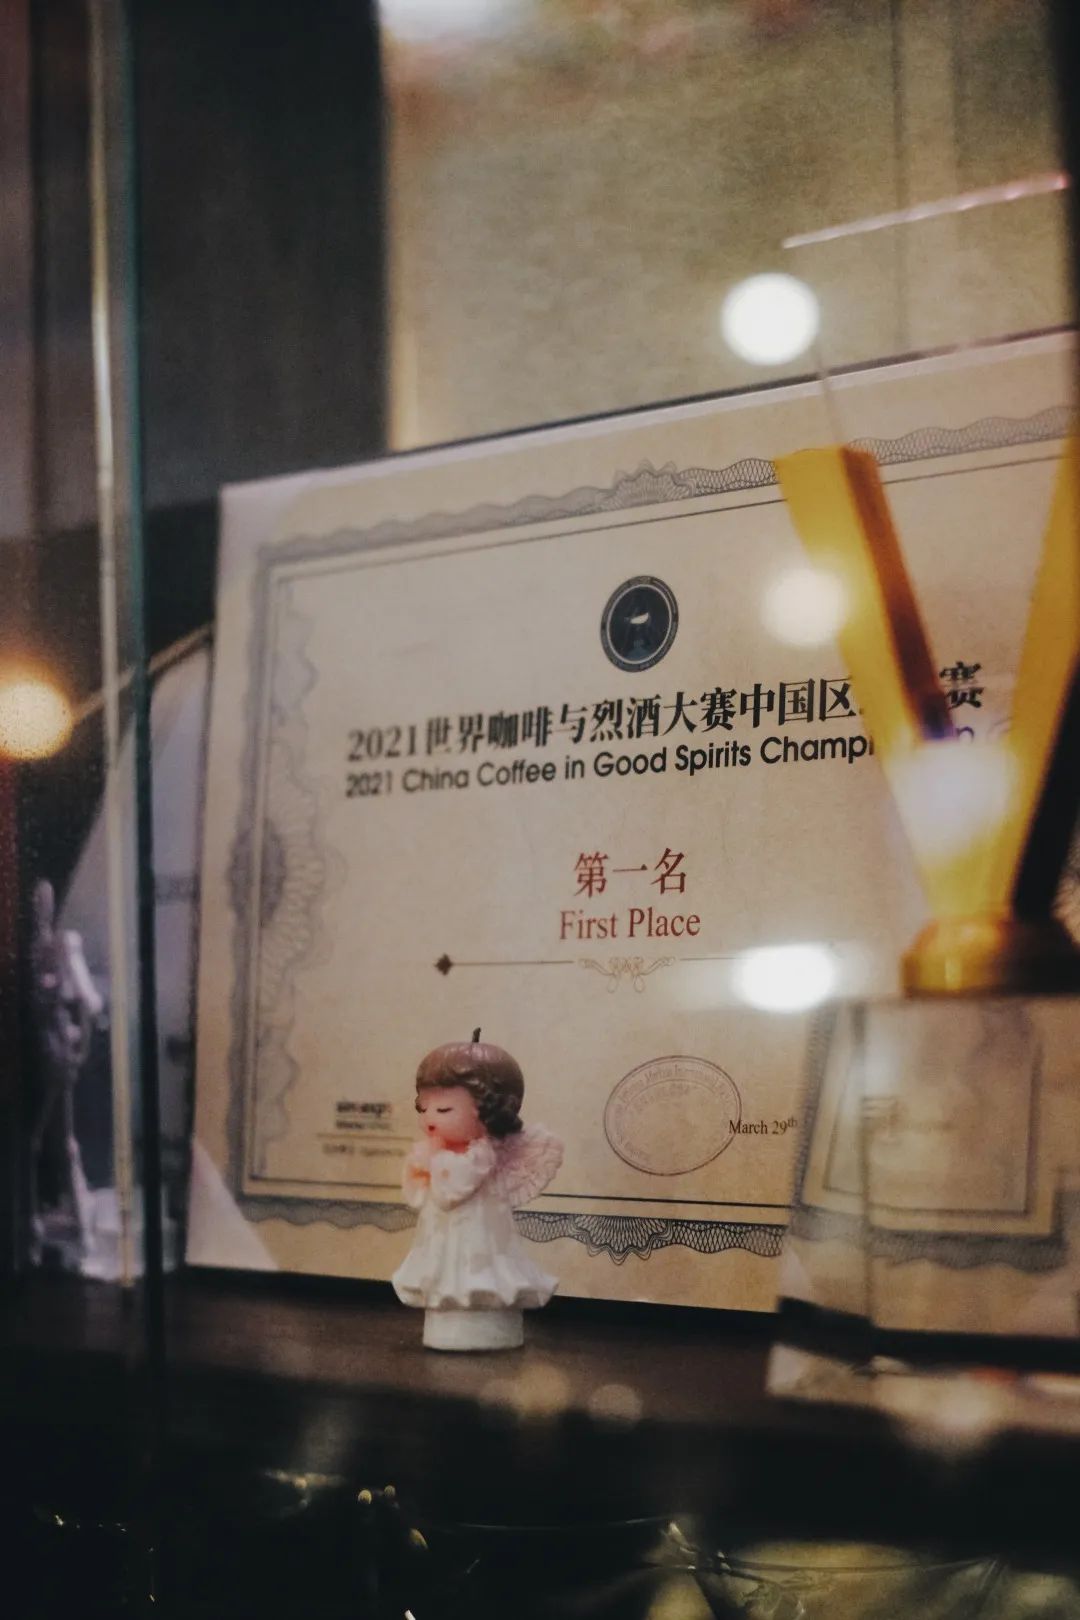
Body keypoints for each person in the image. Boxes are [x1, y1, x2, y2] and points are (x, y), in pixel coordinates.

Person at [392, 1029, 563, 1350]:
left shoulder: (481, 1154)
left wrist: (433, 1163)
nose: (429, 1119)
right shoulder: (439, 1150)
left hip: (478, 1231)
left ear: (487, 1112)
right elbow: (420, 1192)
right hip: (442, 1231)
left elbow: (452, 1191)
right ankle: (449, 1317)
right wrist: (420, 1166)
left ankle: (483, 1319)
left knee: (474, 1270)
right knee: (442, 1267)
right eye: (424, 1109)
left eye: (444, 1110)